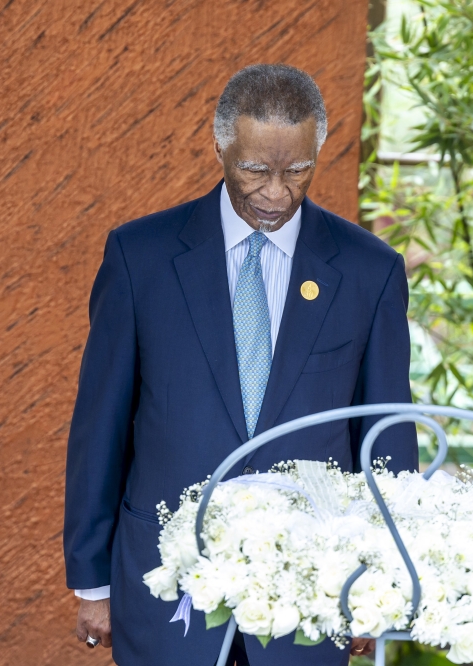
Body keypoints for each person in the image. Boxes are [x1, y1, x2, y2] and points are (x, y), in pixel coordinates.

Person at [63, 64, 417, 666]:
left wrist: (383, 585)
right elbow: (101, 428)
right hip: (166, 589)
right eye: (255, 169)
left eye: (298, 169)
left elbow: (386, 444)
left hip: (312, 596)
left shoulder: (369, 271)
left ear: (317, 150)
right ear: (221, 143)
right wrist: (93, 582)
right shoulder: (139, 257)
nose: (276, 191)